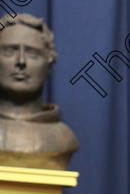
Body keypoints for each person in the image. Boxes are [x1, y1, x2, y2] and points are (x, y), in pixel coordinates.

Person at [0, 13, 78, 169]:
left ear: (48, 64)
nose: (21, 62)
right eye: (9, 51)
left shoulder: (63, 139)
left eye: (32, 53)